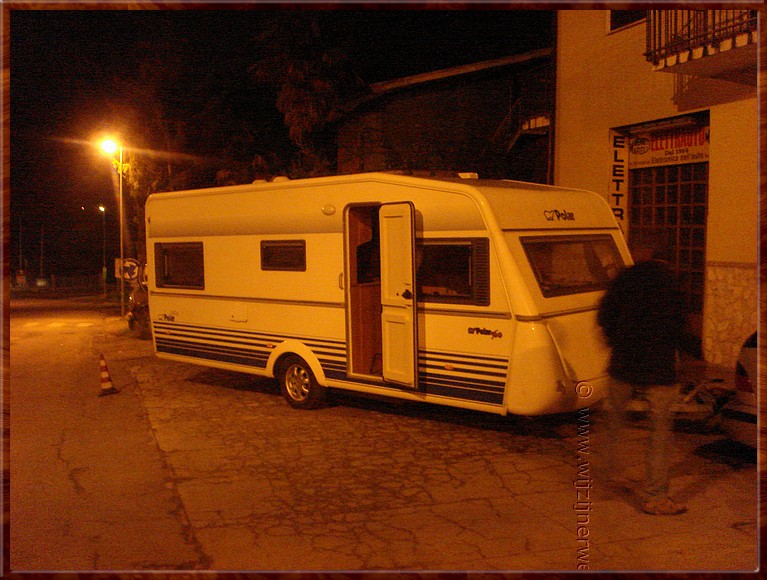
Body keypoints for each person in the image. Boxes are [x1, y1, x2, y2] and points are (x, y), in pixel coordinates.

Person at [597, 248, 688, 515]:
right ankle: (655, 497)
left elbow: (604, 317)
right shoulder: (670, 284)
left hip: (623, 363)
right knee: (659, 433)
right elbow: (678, 326)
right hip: (659, 368)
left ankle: (604, 480)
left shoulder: (624, 279)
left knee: (613, 421)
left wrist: (617, 342)